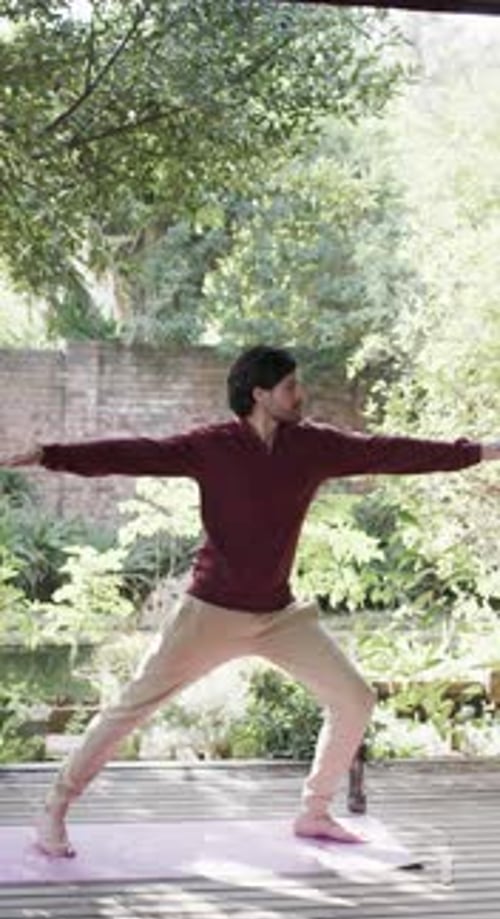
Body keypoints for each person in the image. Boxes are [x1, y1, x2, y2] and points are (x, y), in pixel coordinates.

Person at [2, 344, 499, 858]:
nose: (301, 394)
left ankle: (314, 811)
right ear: (260, 394)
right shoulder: (210, 447)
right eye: (291, 387)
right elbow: (134, 453)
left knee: (355, 698)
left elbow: (391, 452)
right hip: (210, 613)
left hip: (280, 616)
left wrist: (483, 451)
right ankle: (54, 809)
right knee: (131, 708)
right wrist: (49, 454)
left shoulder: (314, 446)